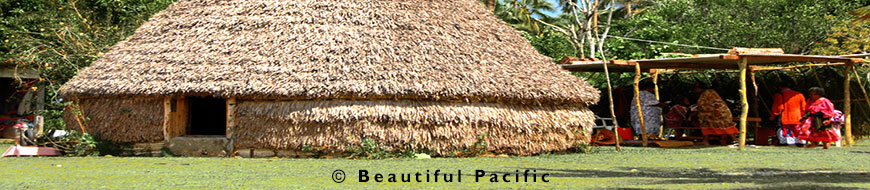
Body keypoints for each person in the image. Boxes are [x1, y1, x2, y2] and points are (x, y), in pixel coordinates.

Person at [770, 80, 807, 146]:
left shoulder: (779, 95)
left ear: (779, 87)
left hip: (785, 117)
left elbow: (778, 107)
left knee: (784, 131)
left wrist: (773, 115)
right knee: (797, 131)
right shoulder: (799, 95)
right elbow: (804, 107)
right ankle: (800, 142)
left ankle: (785, 142)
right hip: (798, 117)